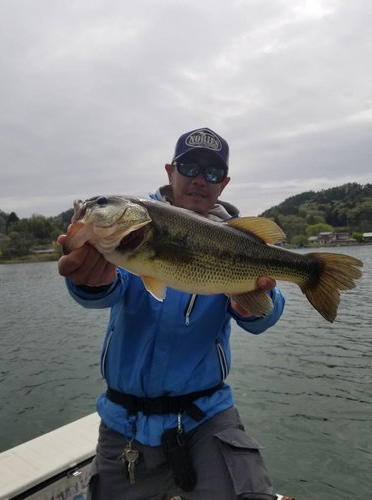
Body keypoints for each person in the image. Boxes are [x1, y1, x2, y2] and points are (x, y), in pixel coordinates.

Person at [58, 128, 285, 500]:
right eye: (190, 166)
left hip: (207, 417)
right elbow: (101, 292)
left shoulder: (238, 236)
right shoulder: (132, 230)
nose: (200, 179)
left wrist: (258, 305)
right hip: (124, 422)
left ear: (224, 184)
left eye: (212, 173)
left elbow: (268, 313)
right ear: (170, 171)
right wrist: (89, 282)